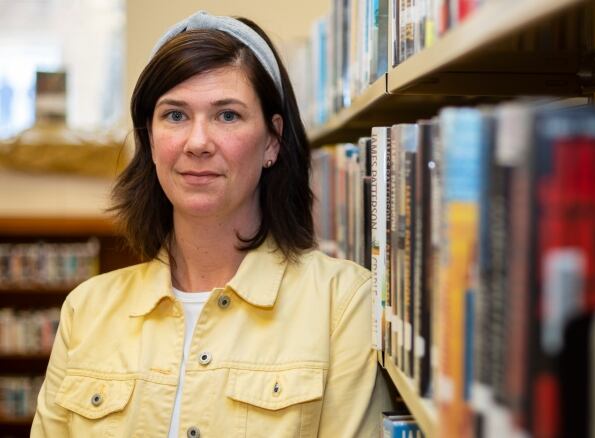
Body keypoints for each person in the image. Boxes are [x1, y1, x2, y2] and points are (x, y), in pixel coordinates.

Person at [31, 11, 387, 437]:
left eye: (228, 115)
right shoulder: (86, 310)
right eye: (175, 116)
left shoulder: (343, 306)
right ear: (149, 138)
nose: (197, 143)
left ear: (272, 140)